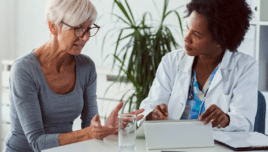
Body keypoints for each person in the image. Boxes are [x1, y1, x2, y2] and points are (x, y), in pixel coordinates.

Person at [3, 0, 144, 152]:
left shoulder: (86, 67)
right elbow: (37, 142)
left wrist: (106, 128)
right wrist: (89, 133)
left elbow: (90, 129)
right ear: (53, 27)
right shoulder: (24, 70)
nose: (85, 37)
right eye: (78, 29)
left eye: (88, 29)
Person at [138, 0, 258, 132]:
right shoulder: (171, 62)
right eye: (187, 28)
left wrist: (226, 119)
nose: (186, 38)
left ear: (219, 40)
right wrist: (153, 114)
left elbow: (245, 122)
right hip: (171, 143)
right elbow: (148, 106)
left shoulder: (244, 67)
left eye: (196, 35)